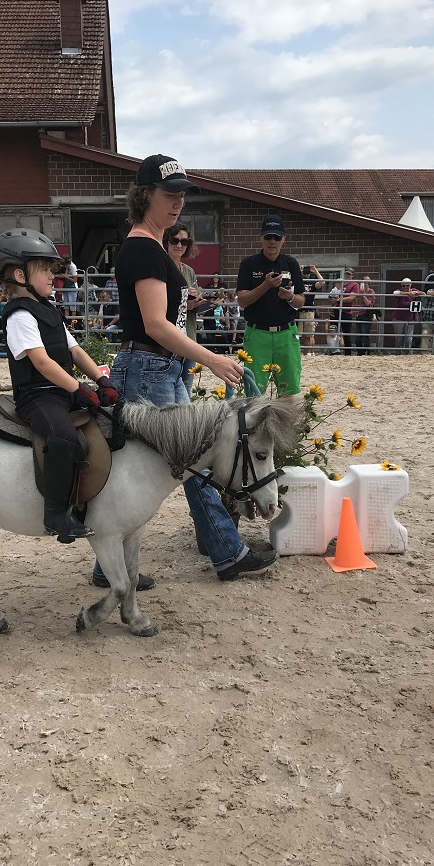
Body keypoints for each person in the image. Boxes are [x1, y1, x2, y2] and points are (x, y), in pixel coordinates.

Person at [101, 153, 275, 585]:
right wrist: (211, 359)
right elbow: (156, 325)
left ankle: (111, 566)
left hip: (158, 367)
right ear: (145, 195)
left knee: (174, 462)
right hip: (149, 366)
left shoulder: (151, 248)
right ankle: (227, 553)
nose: (178, 202)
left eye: (182, 195)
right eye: (169, 194)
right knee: (190, 461)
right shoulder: (144, 250)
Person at [0, 228, 120, 542]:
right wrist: (78, 389)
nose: (53, 275)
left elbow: (75, 351)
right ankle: (56, 515)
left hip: (61, 390)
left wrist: (102, 380)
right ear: (20, 275)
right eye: (45, 270)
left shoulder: (49, 310)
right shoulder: (19, 315)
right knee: (63, 437)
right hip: (37, 396)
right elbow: (42, 362)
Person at [236, 215, 304, 394]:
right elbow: (242, 300)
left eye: (277, 237)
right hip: (257, 334)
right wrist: (265, 285)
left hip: (286, 334)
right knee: (254, 392)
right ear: (261, 238)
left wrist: (290, 297)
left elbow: (301, 301)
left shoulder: (291, 263)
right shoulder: (249, 264)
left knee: (289, 390)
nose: (272, 241)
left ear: (284, 239)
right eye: (268, 237)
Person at [163, 223, 207, 394]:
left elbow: (194, 298)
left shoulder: (189, 271)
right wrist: (183, 304)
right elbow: (155, 304)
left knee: (186, 389)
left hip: (189, 336)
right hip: (168, 339)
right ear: (166, 242)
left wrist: (198, 300)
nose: (179, 245)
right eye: (174, 240)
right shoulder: (161, 268)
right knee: (168, 389)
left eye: (184, 241)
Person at [298, 264, 324, 355]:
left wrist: (315, 271)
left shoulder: (312, 283)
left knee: (308, 335)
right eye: (304, 272)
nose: (306, 274)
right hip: (298, 311)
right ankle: (297, 353)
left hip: (309, 312)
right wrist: (298, 271)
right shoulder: (298, 281)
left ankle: (307, 353)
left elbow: (322, 282)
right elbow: (291, 282)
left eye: (308, 272)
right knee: (297, 335)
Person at [391, 279, 422, 354]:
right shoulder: (399, 291)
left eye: (407, 286)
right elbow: (394, 293)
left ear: (410, 285)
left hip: (410, 318)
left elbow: (423, 293)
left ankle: (408, 354)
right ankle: (398, 354)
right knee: (398, 338)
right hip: (398, 318)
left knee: (408, 339)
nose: (405, 287)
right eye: (403, 286)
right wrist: (408, 293)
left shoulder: (413, 290)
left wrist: (416, 293)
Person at [337, 268, 360, 355]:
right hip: (336, 310)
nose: (347, 276)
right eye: (346, 274)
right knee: (333, 331)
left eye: (349, 274)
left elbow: (351, 298)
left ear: (352, 275)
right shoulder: (341, 283)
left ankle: (348, 353)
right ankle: (334, 350)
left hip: (346, 311)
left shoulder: (354, 285)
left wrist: (339, 300)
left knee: (346, 333)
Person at [354, 277, 377, 355]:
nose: (364, 285)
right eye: (363, 283)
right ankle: (359, 352)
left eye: (366, 283)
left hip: (367, 315)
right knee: (358, 336)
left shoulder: (371, 292)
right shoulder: (361, 291)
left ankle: (367, 352)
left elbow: (368, 304)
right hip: (360, 314)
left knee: (365, 335)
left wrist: (363, 294)